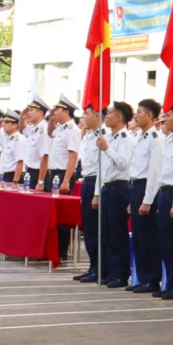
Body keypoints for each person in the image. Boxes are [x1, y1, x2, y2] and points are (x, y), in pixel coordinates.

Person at [144, 102, 173, 300]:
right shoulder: (171, 139)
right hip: (165, 193)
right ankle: (170, 282)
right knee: (165, 242)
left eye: (169, 116)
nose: (165, 120)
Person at [93, 102, 136, 287]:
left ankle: (120, 273)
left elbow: (123, 164)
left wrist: (107, 149)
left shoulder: (126, 138)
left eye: (110, 113)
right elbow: (101, 168)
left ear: (119, 118)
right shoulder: (109, 137)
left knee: (118, 233)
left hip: (120, 187)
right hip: (108, 187)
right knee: (107, 233)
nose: (106, 116)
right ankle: (110, 271)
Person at [73, 107, 104, 282]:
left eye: (88, 115)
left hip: (96, 183)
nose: (85, 118)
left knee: (96, 229)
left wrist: (97, 193)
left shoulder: (102, 136)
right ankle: (92, 266)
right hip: (87, 182)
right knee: (88, 229)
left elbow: (103, 167)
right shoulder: (88, 136)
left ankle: (99, 267)